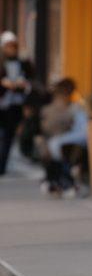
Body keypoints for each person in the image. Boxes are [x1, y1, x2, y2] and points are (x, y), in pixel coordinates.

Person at [36, 78, 89, 197]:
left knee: (56, 148)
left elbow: (82, 130)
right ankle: (61, 182)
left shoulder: (75, 109)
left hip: (70, 141)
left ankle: (59, 182)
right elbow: (45, 128)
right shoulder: (50, 109)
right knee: (55, 149)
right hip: (61, 142)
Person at [0, 31, 35, 175]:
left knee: (8, 136)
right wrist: (3, 83)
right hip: (2, 102)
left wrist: (23, 85)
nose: (11, 49)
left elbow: (31, 80)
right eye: (8, 46)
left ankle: (2, 166)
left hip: (15, 105)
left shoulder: (23, 62)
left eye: (13, 46)